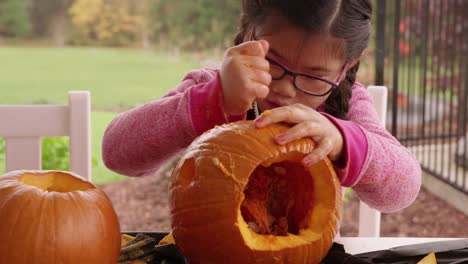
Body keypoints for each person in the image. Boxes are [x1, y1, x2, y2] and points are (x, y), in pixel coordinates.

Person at [102, 0, 421, 214]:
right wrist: (215, 102)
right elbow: (117, 153)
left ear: (346, 67)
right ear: (249, 32)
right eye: (272, 62)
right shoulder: (212, 89)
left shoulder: (348, 105)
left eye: (313, 76)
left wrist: (340, 141)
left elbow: (403, 190)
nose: (284, 89)